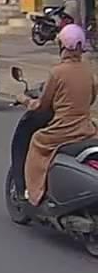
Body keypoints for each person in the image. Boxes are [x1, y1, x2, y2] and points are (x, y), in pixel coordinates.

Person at [24, 24, 98, 204]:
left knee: (36, 140)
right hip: (86, 129)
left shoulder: (57, 72)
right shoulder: (89, 71)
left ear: (62, 45)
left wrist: (25, 101)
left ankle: (34, 192)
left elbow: (43, 105)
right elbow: (91, 99)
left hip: (62, 131)